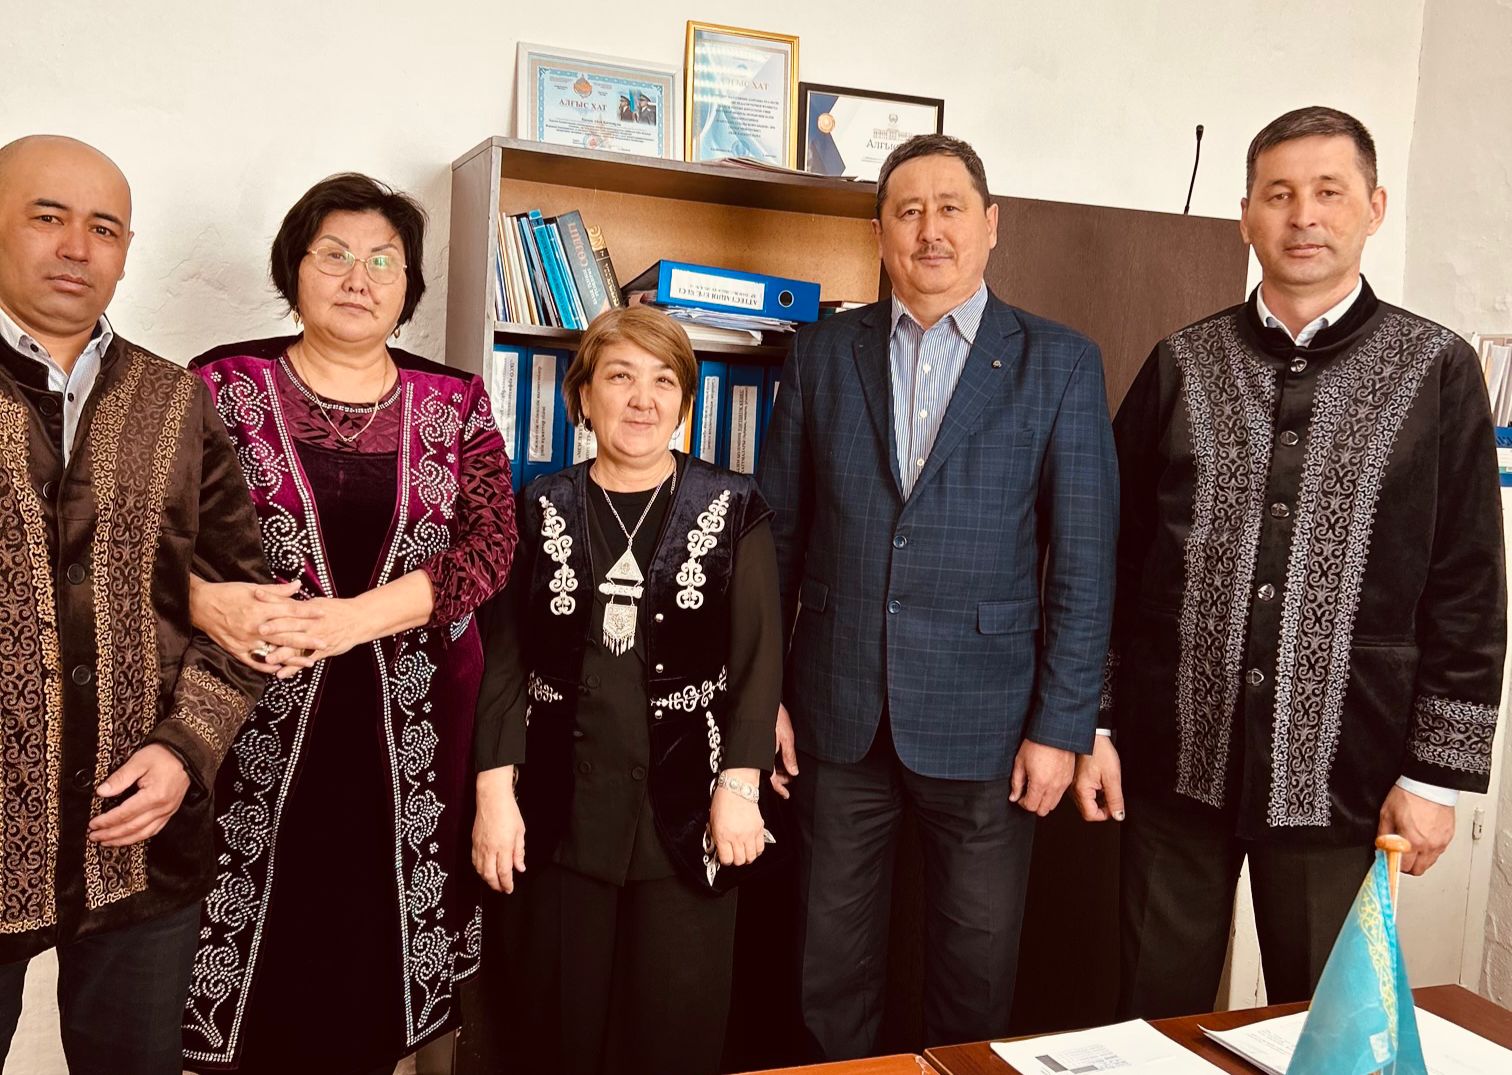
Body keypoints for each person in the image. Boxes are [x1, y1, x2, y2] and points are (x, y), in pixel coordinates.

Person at [1076, 106, 1507, 1018]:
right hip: (1171, 766)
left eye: (1328, 192)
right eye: (1278, 194)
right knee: (1152, 1018)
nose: (1303, 215)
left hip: (1347, 777)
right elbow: (1109, 558)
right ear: (1246, 216)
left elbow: (1469, 585)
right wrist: (1098, 723)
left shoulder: (1437, 370)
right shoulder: (1182, 362)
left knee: (1327, 1030)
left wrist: (1434, 777)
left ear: (1374, 207)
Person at [758, 133, 1118, 1058]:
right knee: (826, 969)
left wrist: (1063, 726)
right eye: (907, 211)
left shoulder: (1059, 363)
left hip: (990, 724)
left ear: (990, 225)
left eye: (950, 208)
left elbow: (1084, 565)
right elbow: (775, 542)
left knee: (975, 972)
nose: (930, 230)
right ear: (879, 233)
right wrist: (766, 701)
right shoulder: (819, 354)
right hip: (836, 714)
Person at [179, 173, 518, 1073]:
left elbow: (490, 545)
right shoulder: (220, 383)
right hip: (244, 721)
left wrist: (353, 621)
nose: (357, 277)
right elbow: (151, 533)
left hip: (412, 736)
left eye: (382, 260)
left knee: (373, 968)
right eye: (333, 254)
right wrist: (206, 601)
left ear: (409, 286)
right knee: (243, 969)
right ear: (293, 269)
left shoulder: (456, 402)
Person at [0, 135, 270, 1074]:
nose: (77, 246)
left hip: (143, 852)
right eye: (47, 216)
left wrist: (184, 749)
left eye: (104, 227)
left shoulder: (175, 399)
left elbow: (242, 611)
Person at [472, 304, 781, 1074]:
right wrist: (493, 792)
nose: (642, 400)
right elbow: (503, 661)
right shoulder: (538, 504)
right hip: (558, 811)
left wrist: (740, 784)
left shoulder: (734, 505)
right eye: (619, 377)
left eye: (663, 381)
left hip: (687, 809)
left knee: (672, 1035)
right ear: (583, 396)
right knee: (554, 1036)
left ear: (686, 402)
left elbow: (758, 660)